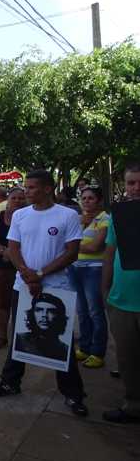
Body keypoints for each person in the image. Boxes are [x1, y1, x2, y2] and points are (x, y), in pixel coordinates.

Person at [0, 170, 88, 417]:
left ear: (47, 189)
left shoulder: (68, 215)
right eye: (26, 187)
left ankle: (73, 394)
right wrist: (26, 273)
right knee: (19, 335)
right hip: (23, 286)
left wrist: (41, 274)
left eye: (32, 188)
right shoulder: (20, 215)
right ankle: (10, 381)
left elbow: (72, 252)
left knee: (61, 343)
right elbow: (13, 247)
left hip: (56, 288)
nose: (26, 192)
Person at [102, 162, 140, 424]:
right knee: (127, 360)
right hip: (122, 302)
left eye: (139, 183)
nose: (136, 188)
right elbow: (109, 253)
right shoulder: (119, 215)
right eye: (131, 183)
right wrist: (105, 289)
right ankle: (133, 405)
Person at [68, 186, 110, 368]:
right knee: (82, 311)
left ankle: (98, 352)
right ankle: (84, 347)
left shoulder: (105, 219)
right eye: (83, 198)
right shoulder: (76, 219)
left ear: (99, 200)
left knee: (95, 311)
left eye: (90, 198)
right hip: (74, 268)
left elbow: (96, 247)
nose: (86, 201)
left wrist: (71, 247)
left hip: (94, 269)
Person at [0, 186, 26, 350]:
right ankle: (2, 337)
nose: (17, 201)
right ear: (8, 200)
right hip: (3, 267)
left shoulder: (30, 217)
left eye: (21, 198)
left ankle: (23, 338)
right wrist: (4, 251)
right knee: (3, 303)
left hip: (24, 267)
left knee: (24, 303)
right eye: (14, 198)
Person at [14, 293, 70, 361]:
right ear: (32, 313)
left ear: (59, 316)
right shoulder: (20, 340)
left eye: (51, 311)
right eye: (39, 310)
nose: (44, 315)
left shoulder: (65, 349)